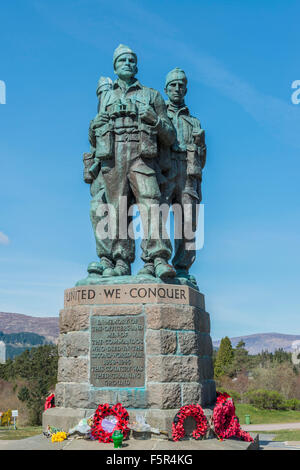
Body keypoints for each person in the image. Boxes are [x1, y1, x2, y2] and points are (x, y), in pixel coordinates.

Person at [87, 45, 176, 280]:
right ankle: (120, 261)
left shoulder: (152, 95)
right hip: (114, 156)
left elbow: (170, 135)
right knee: (116, 209)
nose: (127, 63)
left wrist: (154, 120)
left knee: (151, 201)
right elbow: (93, 135)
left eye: (131, 60)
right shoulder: (106, 96)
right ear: (115, 66)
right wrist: (95, 125)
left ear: (136, 65)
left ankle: (157, 258)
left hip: (141, 155)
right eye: (122, 60)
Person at [163, 68, 206, 284]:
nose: (177, 89)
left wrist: (200, 145)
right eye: (173, 85)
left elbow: (203, 160)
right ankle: (157, 261)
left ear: (186, 89)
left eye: (181, 85)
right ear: (166, 89)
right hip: (165, 168)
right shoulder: (160, 115)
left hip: (188, 173)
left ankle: (182, 267)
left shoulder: (194, 122)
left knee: (187, 220)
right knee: (156, 216)